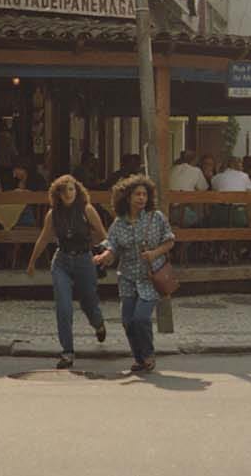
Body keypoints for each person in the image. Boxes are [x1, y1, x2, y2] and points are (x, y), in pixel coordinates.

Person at [26, 174, 110, 369]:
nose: (68, 193)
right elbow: (44, 238)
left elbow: (103, 234)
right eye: (64, 191)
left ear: (77, 190)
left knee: (89, 302)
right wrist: (32, 262)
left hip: (84, 259)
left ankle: (98, 324)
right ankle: (67, 352)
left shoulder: (86, 209)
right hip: (62, 261)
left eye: (71, 189)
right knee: (63, 307)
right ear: (58, 194)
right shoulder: (53, 214)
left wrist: (106, 255)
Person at [94, 174, 175, 373]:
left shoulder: (156, 218)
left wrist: (154, 253)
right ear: (127, 197)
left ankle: (148, 354)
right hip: (127, 278)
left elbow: (170, 241)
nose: (141, 198)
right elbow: (112, 246)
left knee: (141, 318)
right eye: (137, 194)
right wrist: (104, 256)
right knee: (128, 321)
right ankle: (139, 359)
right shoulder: (119, 223)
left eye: (144, 194)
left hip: (150, 277)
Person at [168, 150, 209, 229]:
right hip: (183, 214)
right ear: (194, 160)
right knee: (201, 214)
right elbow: (204, 189)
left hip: (167, 212)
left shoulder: (171, 169)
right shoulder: (196, 171)